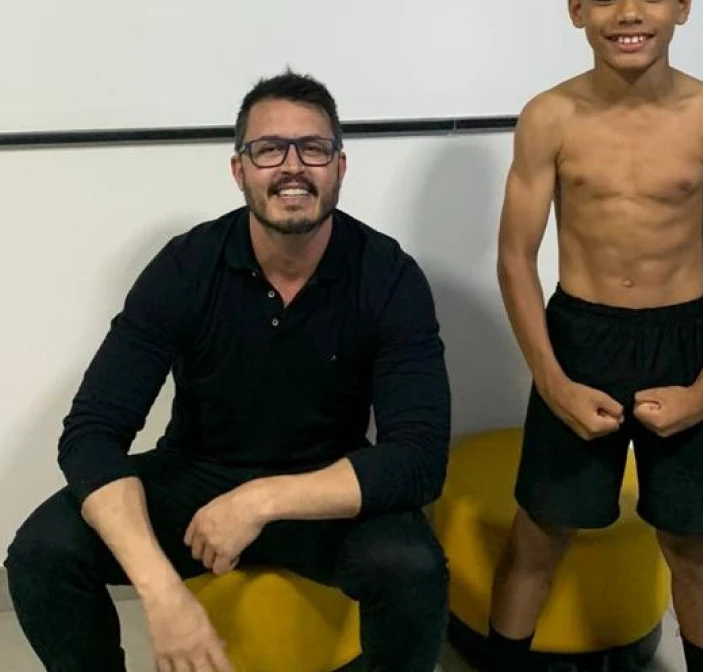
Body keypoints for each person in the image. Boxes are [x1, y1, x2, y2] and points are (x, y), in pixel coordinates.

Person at [4, 71, 452, 672]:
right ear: (239, 170)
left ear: (340, 167)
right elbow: (91, 434)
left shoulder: (389, 276)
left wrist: (259, 500)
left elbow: (419, 458)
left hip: (321, 483)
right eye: (269, 150)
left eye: (313, 149)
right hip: (195, 473)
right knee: (42, 552)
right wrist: (161, 591)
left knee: (414, 568)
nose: (292, 167)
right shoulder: (185, 267)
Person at [487, 0, 703, 672]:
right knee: (539, 532)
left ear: (682, 4)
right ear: (575, 8)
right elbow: (515, 257)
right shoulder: (548, 117)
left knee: (695, 542)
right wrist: (553, 381)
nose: (628, 14)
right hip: (579, 334)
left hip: (685, 339)